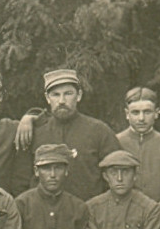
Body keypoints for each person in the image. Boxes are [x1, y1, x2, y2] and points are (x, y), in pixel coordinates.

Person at [13, 69, 121, 201]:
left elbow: (115, 174)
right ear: (47, 98)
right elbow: (21, 180)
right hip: (43, 214)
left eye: (68, 94)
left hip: (88, 213)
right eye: (55, 95)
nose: (62, 101)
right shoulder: (35, 132)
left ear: (79, 95)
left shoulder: (99, 131)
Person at [115, 86, 160, 201]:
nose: (141, 118)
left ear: (156, 113)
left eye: (147, 112)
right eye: (135, 112)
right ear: (127, 114)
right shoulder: (115, 142)